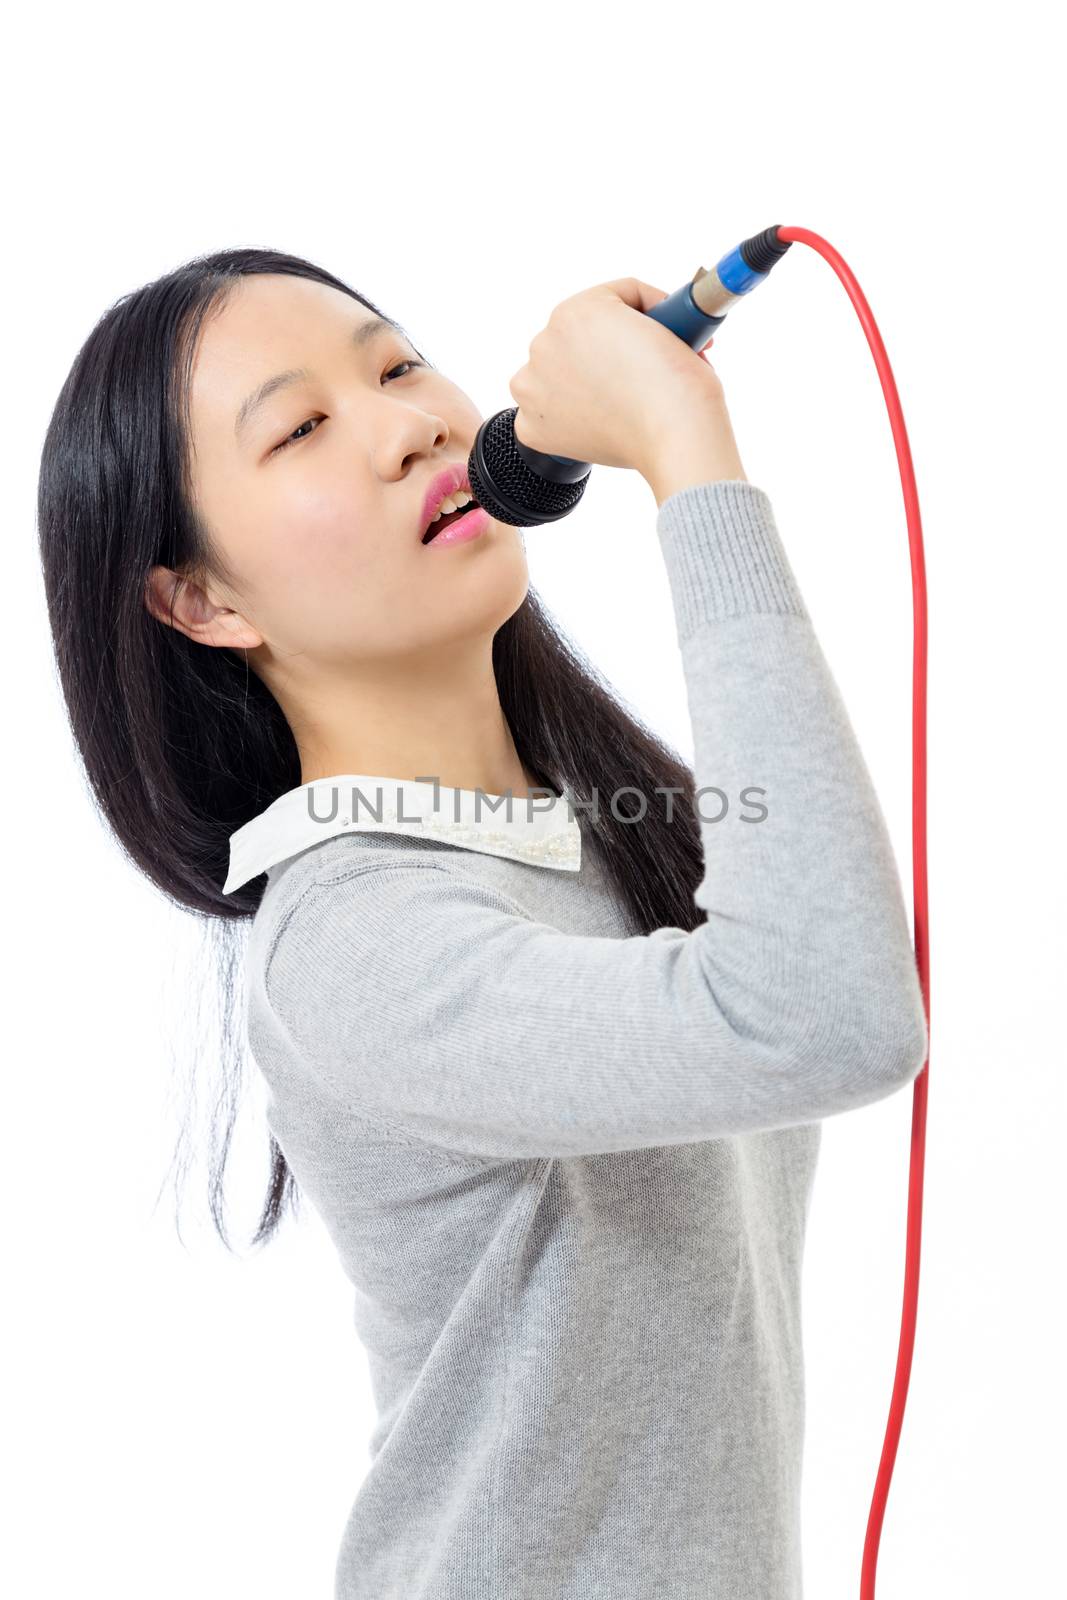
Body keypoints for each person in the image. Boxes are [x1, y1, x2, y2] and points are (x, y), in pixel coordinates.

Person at [36, 247, 928, 1600]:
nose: (411, 426)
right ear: (202, 600)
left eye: (398, 365)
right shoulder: (352, 947)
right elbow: (829, 1012)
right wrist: (689, 453)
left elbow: (823, 962)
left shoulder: (596, 825)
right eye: (304, 427)